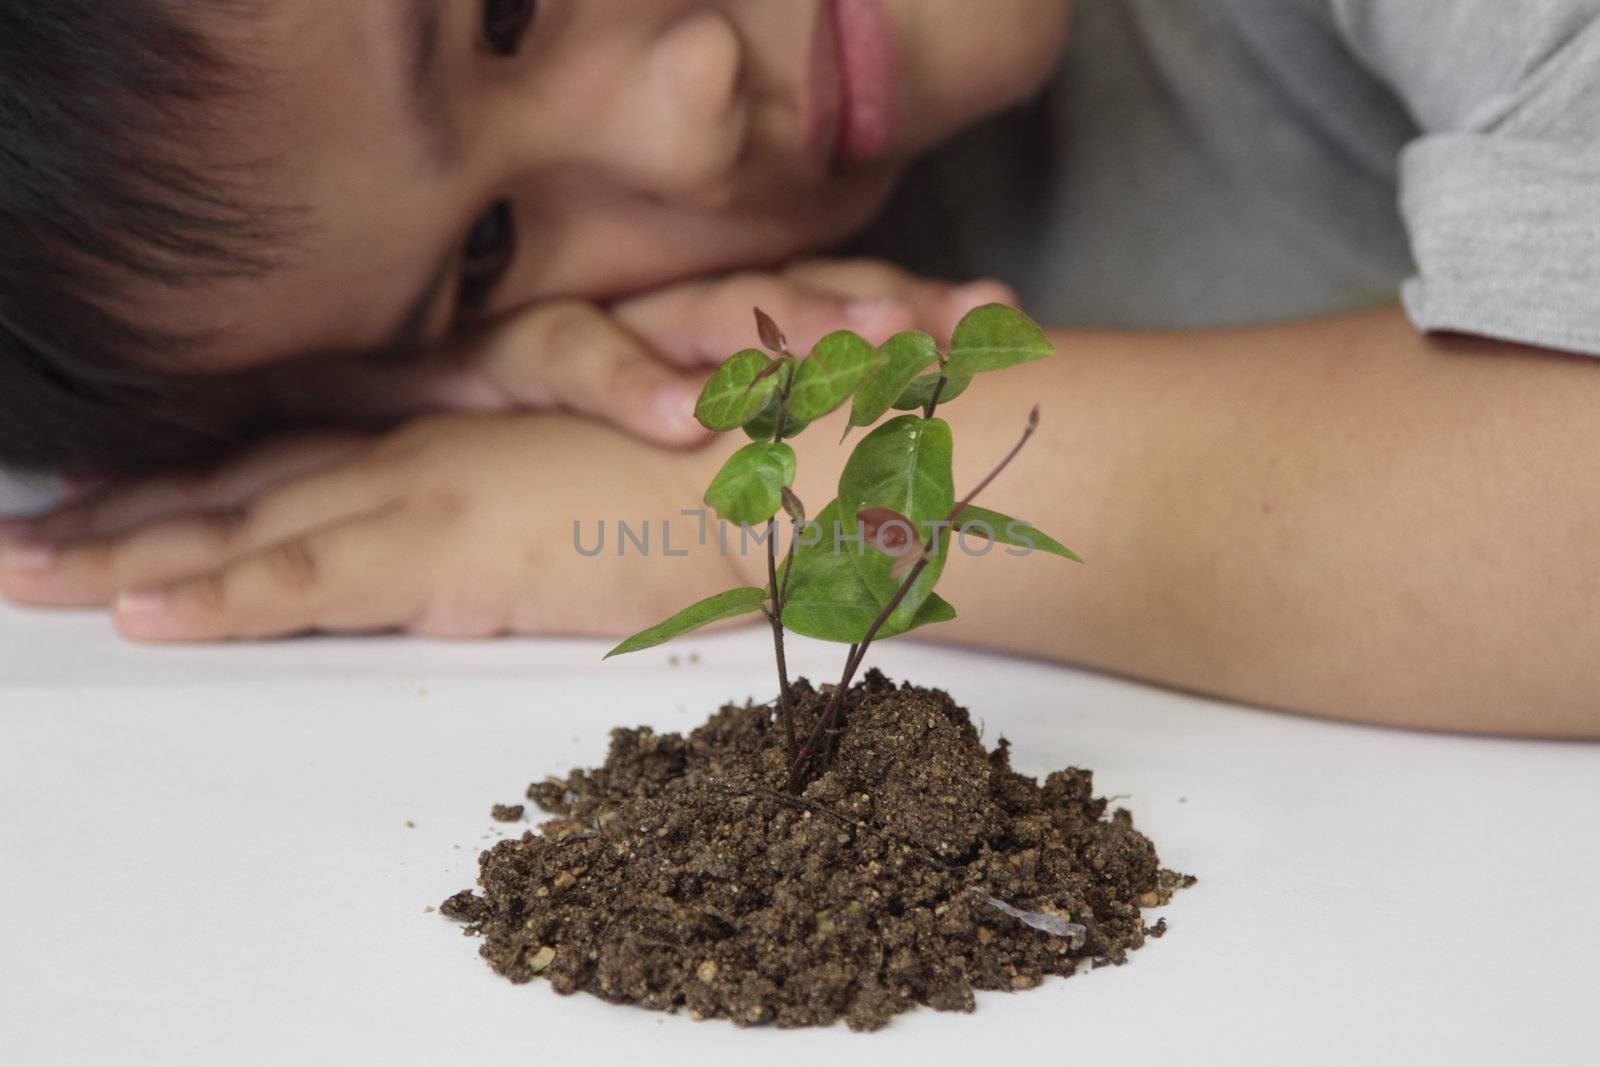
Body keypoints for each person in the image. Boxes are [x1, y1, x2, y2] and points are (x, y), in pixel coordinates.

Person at [2, 1, 1597, 737]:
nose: (683, 114)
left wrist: (729, 494)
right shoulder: (783, 270)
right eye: (486, 247)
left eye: (504, 8)